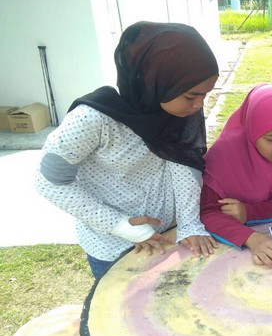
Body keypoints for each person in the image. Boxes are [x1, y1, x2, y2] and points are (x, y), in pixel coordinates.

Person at [36, 21, 220, 279]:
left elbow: (184, 165)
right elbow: (50, 182)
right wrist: (121, 225)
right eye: (191, 96)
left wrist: (189, 224)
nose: (198, 105)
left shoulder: (177, 112)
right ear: (157, 81)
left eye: (205, 95)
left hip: (169, 235)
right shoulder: (92, 119)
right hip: (114, 244)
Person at [201, 84, 272, 269]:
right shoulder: (225, 156)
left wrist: (250, 212)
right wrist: (252, 239)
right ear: (252, 130)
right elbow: (206, 212)